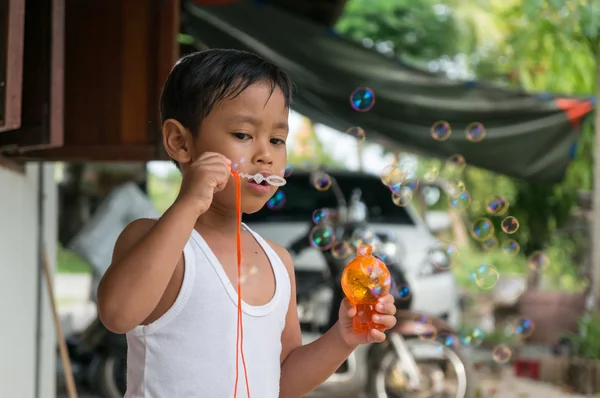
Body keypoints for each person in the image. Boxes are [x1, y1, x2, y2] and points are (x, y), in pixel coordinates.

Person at [97, 48, 397, 398]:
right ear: (180, 142)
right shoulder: (155, 240)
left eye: (277, 140)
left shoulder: (278, 262)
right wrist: (190, 202)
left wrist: (342, 338)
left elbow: (283, 381)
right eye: (242, 135)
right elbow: (118, 314)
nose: (265, 155)